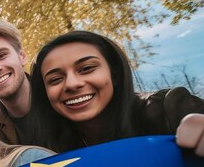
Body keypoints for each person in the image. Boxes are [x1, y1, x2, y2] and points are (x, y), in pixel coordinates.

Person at [28, 30, 204, 153]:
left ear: (115, 74)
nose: (72, 84)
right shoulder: (47, 152)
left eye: (86, 68)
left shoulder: (169, 108)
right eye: (55, 79)